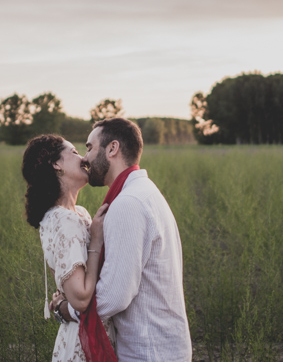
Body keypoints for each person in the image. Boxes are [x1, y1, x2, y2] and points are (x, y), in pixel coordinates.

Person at [77, 117, 192, 362]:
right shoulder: (146, 191)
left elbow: (114, 297)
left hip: (149, 352)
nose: (84, 158)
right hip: (163, 348)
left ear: (112, 148)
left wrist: (67, 308)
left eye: (89, 147)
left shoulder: (128, 203)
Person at [22, 134, 115, 362]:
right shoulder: (63, 220)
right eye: (74, 152)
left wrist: (61, 305)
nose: (83, 157)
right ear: (56, 165)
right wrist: (95, 240)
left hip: (85, 331)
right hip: (83, 344)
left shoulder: (78, 213)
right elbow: (81, 298)